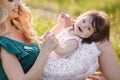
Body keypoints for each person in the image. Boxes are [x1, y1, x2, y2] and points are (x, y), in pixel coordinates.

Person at [40, 10, 110, 80]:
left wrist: (53, 44)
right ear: (79, 18)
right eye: (84, 21)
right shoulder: (70, 29)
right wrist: (59, 24)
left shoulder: (74, 41)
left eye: (89, 28)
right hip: (49, 53)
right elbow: (57, 32)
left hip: (56, 61)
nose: (84, 26)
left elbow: (61, 52)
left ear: (92, 36)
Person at [0, 0, 58, 80]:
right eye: (11, 0)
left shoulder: (18, 26)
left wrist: (58, 28)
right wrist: (45, 51)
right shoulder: (3, 44)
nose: (18, 3)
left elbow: (28, 51)